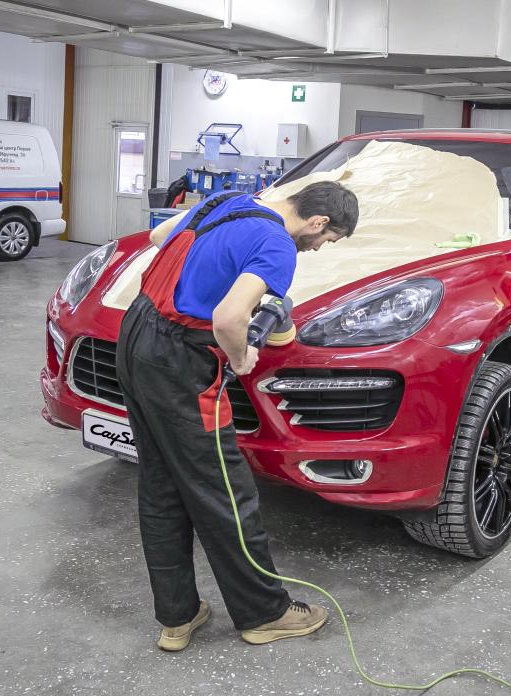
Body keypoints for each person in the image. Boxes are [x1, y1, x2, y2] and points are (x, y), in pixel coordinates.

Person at [115, 181, 359, 652]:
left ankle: (177, 617)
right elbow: (228, 319)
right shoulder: (277, 245)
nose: (318, 248)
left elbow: (160, 237)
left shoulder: (226, 200)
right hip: (180, 361)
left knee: (161, 482)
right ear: (318, 221)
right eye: (327, 240)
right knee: (226, 490)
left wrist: (212, 275)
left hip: (136, 335)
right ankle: (264, 613)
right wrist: (241, 356)